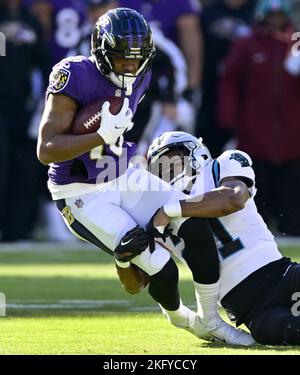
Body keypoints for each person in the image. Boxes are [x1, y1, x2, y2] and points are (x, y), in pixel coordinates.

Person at [36, 7, 253, 345]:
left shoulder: (143, 72)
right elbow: (46, 149)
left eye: (136, 59)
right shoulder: (73, 75)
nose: (129, 66)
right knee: (161, 267)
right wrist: (99, 136)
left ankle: (211, 320)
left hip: (124, 175)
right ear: (103, 52)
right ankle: (183, 319)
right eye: (122, 58)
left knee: (195, 225)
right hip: (81, 192)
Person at [146, 130, 300, 345]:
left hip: (281, 276)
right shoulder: (157, 212)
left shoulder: (223, 165)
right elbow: (143, 276)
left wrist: (171, 210)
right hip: (252, 311)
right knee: (278, 334)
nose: (169, 170)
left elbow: (233, 199)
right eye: (160, 167)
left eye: (174, 160)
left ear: (195, 153)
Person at [218, 0, 300, 236]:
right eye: (271, 16)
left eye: (279, 16)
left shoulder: (296, 44)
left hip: (292, 136)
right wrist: (228, 118)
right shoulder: (247, 45)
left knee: (291, 194)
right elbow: (230, 82)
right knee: (257, 191)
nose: (275, 21)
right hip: (254, 133)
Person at [0, 0, 51, 242]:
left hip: (24, 106)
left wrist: (45, 98)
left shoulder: (31, 22)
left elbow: (44, 61)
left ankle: (18, 228)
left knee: (25, 165)